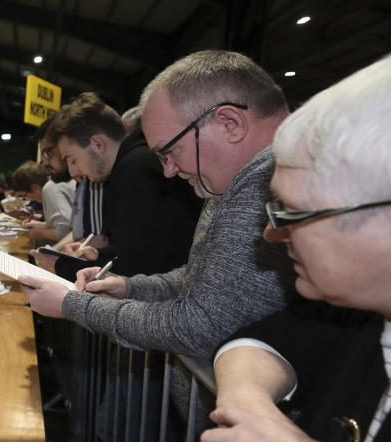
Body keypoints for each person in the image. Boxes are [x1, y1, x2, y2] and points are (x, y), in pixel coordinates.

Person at [201, 55, 391, 442]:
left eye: (292, 213)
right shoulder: (357, 317)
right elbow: (259, 340)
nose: (272, 234)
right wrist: (249, 412)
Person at [20, 50, 295, 361]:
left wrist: (74, 305)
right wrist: (127, 287)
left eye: (170, 151)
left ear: (230, 124)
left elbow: (201, 326)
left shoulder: (266, 184)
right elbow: (196, 278)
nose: (168, 171)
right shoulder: (227, 182)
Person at [31, 92, 201, 278]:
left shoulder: (136, 168)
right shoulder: (125, 168)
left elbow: (143, 268)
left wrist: (63, 266)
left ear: (97, 144)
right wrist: (98, 254)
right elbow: (134, 249)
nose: (73, 172)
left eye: (72, 160)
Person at [21, 118, 79, 243]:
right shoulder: (81, 183)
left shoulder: (52, 187)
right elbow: (77, 230)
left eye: (48, 153)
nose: (45, 163)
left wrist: (40, 233)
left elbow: (64, 231)